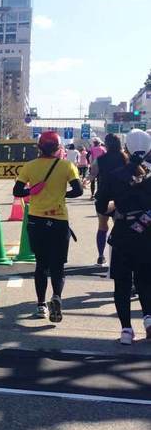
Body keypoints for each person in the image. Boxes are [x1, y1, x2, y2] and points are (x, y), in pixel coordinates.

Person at [13, 131, 83, 322]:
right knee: (58, 266)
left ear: (39, 147)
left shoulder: (30, 166)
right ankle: (57, 297)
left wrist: (32, 190)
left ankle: (41, 305)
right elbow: (78, 190)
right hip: (59, 220)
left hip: (36, 221)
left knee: (41, 264)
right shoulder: (67, 166)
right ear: (58, 148)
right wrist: (62, 195)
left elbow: (17, 191)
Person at [95, 129, 151, 344]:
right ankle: (148, 319)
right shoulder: (147, 174)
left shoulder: (116, 174)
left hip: (123, 232)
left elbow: (101, 205)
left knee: (122, 283)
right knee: (145, 279)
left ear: (126, 148)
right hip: (147, 233)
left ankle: (126, 330)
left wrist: (114, 208)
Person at [90, 133, 128, 266]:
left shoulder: (100, 160)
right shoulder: (125, 158)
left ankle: (101, 257)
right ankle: (118, 258)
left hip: (103, 197)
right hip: (121, 198)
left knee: (102, 226)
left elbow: (92, 175)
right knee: (120, 228)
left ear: (106, 144)